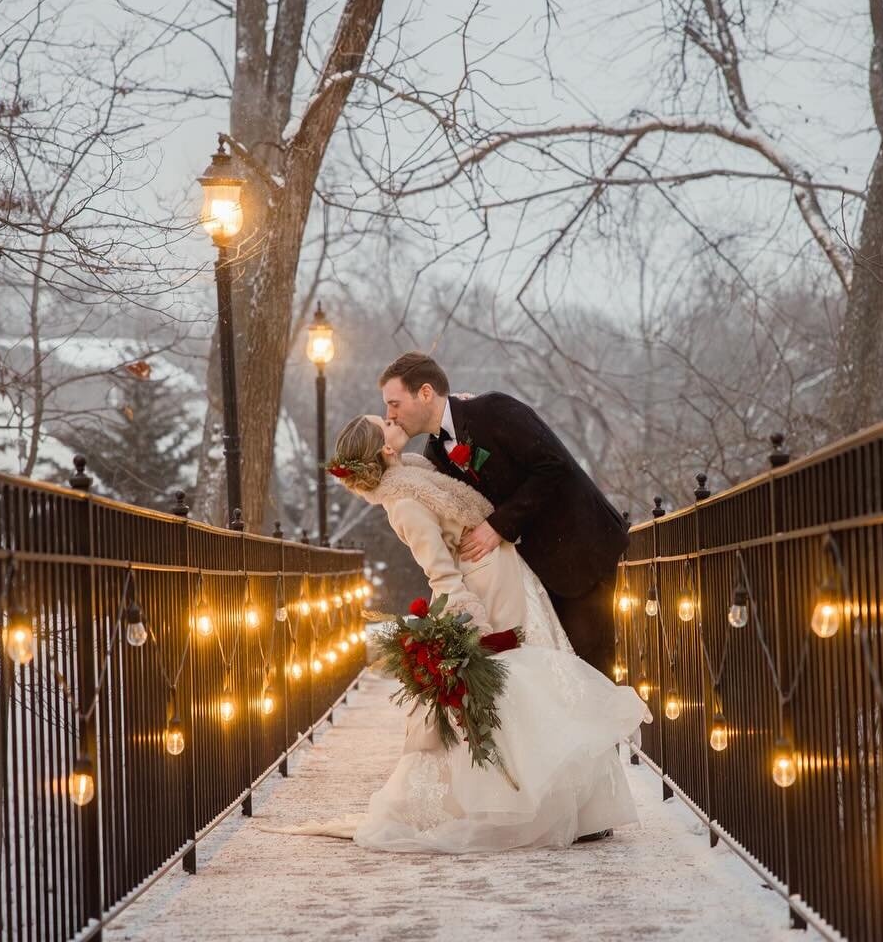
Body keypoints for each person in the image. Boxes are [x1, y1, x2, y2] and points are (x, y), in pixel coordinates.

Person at [278, 415, 648, 853]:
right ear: (385, 450)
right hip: (489, 590)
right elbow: (439, 570)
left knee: (544, 681)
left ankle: (572, 804)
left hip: (508, 574)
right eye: (386, 421)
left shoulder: (415, 474)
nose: (393, 419)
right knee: (527, 685)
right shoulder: (404, 502)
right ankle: (533, 805)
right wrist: (472, 615)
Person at [378, 352, 628, 678]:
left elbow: (554, 465)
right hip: (533, 575)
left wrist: (498, 526)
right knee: (563, 678)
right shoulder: (435, 452)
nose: (390, 415)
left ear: (425, 393)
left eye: (394, 404)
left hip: (581, 554)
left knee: (596, 675)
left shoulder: (493, 410)